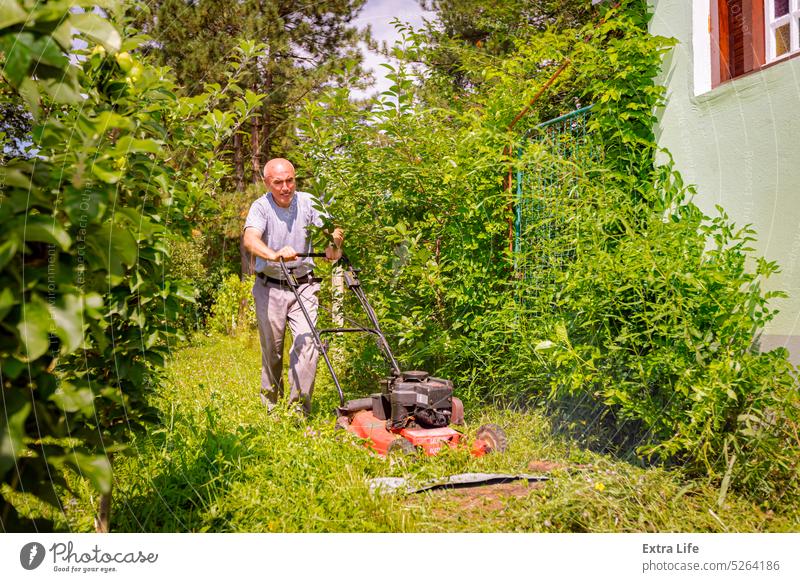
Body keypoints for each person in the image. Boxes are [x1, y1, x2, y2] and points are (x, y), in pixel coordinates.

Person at [242, 158, 344, 415]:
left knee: (308, 345)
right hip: (270, 286)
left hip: (304, 285)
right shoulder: (261, 207)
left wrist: (334, 245)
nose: (286, 187)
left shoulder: (309, 202)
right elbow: (250, 239)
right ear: (267, 183)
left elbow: (334, 231)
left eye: (290, 180)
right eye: (278, 182)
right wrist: (273, 254)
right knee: (272, 352)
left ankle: (298, 411)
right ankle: (270, 407)